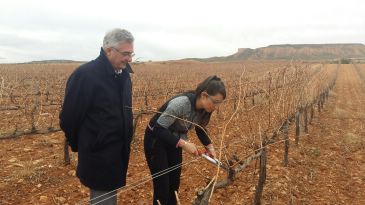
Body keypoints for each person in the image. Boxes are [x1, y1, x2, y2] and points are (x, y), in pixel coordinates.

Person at [60, 28, 135, 205]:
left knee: (109, 195)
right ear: (109, 50)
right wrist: (86, 144)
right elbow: (69, 118)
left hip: (118, 152)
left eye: (131, 54)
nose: (129, 59)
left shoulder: (124, 75)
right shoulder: (86, 76)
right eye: (126, 54)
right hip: (99, 154)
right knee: (103, 199)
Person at [144, 75, 226, 205]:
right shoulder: (181, 103)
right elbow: (158, 129)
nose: (216, 107)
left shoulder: (205, 109)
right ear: (204, 95)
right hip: (156, 139)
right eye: (215, 102)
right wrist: (184, 144)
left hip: (174, 139)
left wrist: (210, 147)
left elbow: (200, 128)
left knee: (174, 184)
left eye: (219, 103)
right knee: (162, 187)